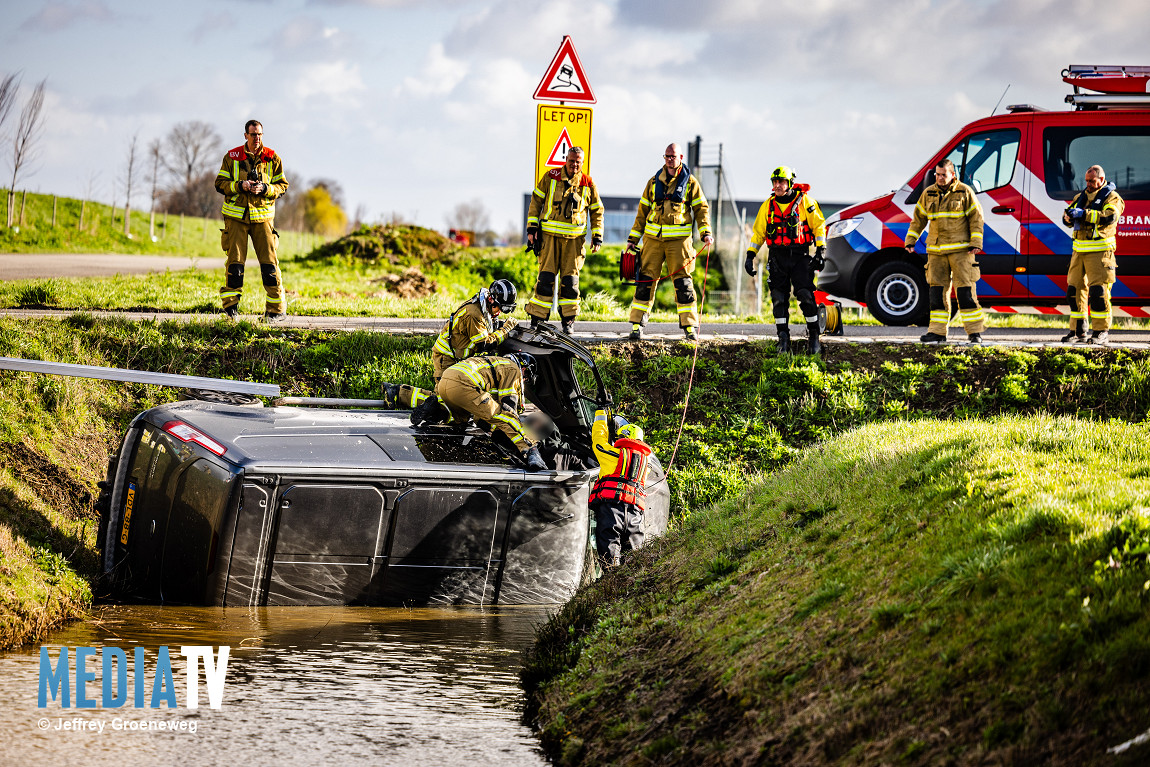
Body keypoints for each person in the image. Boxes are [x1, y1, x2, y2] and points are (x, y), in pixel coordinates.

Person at [625, 143, 713, 341]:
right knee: (645, 281)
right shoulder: (653, 181)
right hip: (652, 241)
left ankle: (690, 327)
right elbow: (642, 213)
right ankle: (637, 325)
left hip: (679, 243)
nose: (669, 159)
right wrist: (633, 239)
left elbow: (702, 209)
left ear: (680, 156)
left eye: (673, 156)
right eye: (667, 156)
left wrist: (705, 232)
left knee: (683, 284)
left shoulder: (690, 182)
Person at [388, 279, 519, 412]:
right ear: (491, 300)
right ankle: (397, 394)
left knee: (451, 398)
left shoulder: (482, 306)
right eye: (500, 308)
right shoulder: (474, 314)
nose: (500, 313)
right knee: (445, 401)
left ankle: (401, 395)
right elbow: (484, 345)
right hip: (446, 357)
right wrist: (504, 331)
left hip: (455, 357)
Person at [415, 353, 547, 472]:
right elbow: (508, 407)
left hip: (447, 379)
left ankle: (436, 411)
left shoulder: (493, 363)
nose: (523, 381)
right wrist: (518, 436)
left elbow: (481, 415)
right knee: (505, 416)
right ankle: (531, 450)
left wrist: (494, 431)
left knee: (459, 419)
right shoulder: (513, 368)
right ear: (524, 369)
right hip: (465, 383)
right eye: (526, 378)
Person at [743, 166, 827, 354]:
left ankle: (814, 337)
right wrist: (750, 256)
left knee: (805, 295)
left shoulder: (806, 202)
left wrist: (821, 252)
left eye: (781, 182)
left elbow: (819, 227)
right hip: (777, 258)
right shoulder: (768, 206)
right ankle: (783, 338)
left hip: (800, 257)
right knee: (778, 298)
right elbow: (758, 234)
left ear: (790, 183)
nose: (777, 185)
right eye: (775, 182)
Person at [904, 159, 985, 344]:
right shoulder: (928, 193)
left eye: (944, 175)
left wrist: (976, 242)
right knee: (936, 294)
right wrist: (911, 240)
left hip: (961, 251)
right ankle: (937, 333)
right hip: (936, 252)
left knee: (966, 293)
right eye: (937, 175)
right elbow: (918, 220)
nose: (940, 178)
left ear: (952, 175)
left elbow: (976, 218)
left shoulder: (965, 192)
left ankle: (974, 333)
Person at [214, 120, 290, 321]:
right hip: (236, 218)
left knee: (269, 265)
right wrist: (241, 185)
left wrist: (265, 189)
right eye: (253, 134)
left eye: (260, 135)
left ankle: (276, 311)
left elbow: (282, 185)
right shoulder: (232, 157)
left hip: (263, 218)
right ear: (245, 135)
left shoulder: (272, 158)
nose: (257, 138)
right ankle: (230, 311)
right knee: (235, 265)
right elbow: (220, 184)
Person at [525, 147, 603, 335]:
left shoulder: (588, 183)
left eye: (578, 161)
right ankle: (537, 320)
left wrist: (597, 235)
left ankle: (568, 321)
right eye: (571, 160)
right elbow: (536, 201)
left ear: (582, 163)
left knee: (571, 282)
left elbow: (597, 210)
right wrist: (532, 229)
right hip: (549, 239)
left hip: (574, 242)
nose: (574, 164)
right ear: (565, 159)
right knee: (545, 279)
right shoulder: (551, 177)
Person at [1061, 164, 1124, 344]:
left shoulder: (1112, 197)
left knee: (1099, 292)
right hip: (1078, 252)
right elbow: (1067, 218)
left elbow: (1109, 216)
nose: (1088, 184)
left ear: (1102, 180)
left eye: (1092, 181)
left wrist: (1084, 214)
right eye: (1086, 180)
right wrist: (1068, 217)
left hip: (1100, 252)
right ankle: (1078, 330)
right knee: (1073, 291)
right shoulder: (1079, 197)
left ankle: (1100, 331)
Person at [589, 409, 653, 569]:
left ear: (623, 438)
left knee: (609, 550)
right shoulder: (647, 465)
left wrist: (600, 416)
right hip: (635, 514)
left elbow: (599, 442)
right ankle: (633, 583)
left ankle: (609, 579)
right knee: (635, 556)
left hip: (612, 509)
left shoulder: (614, 456)